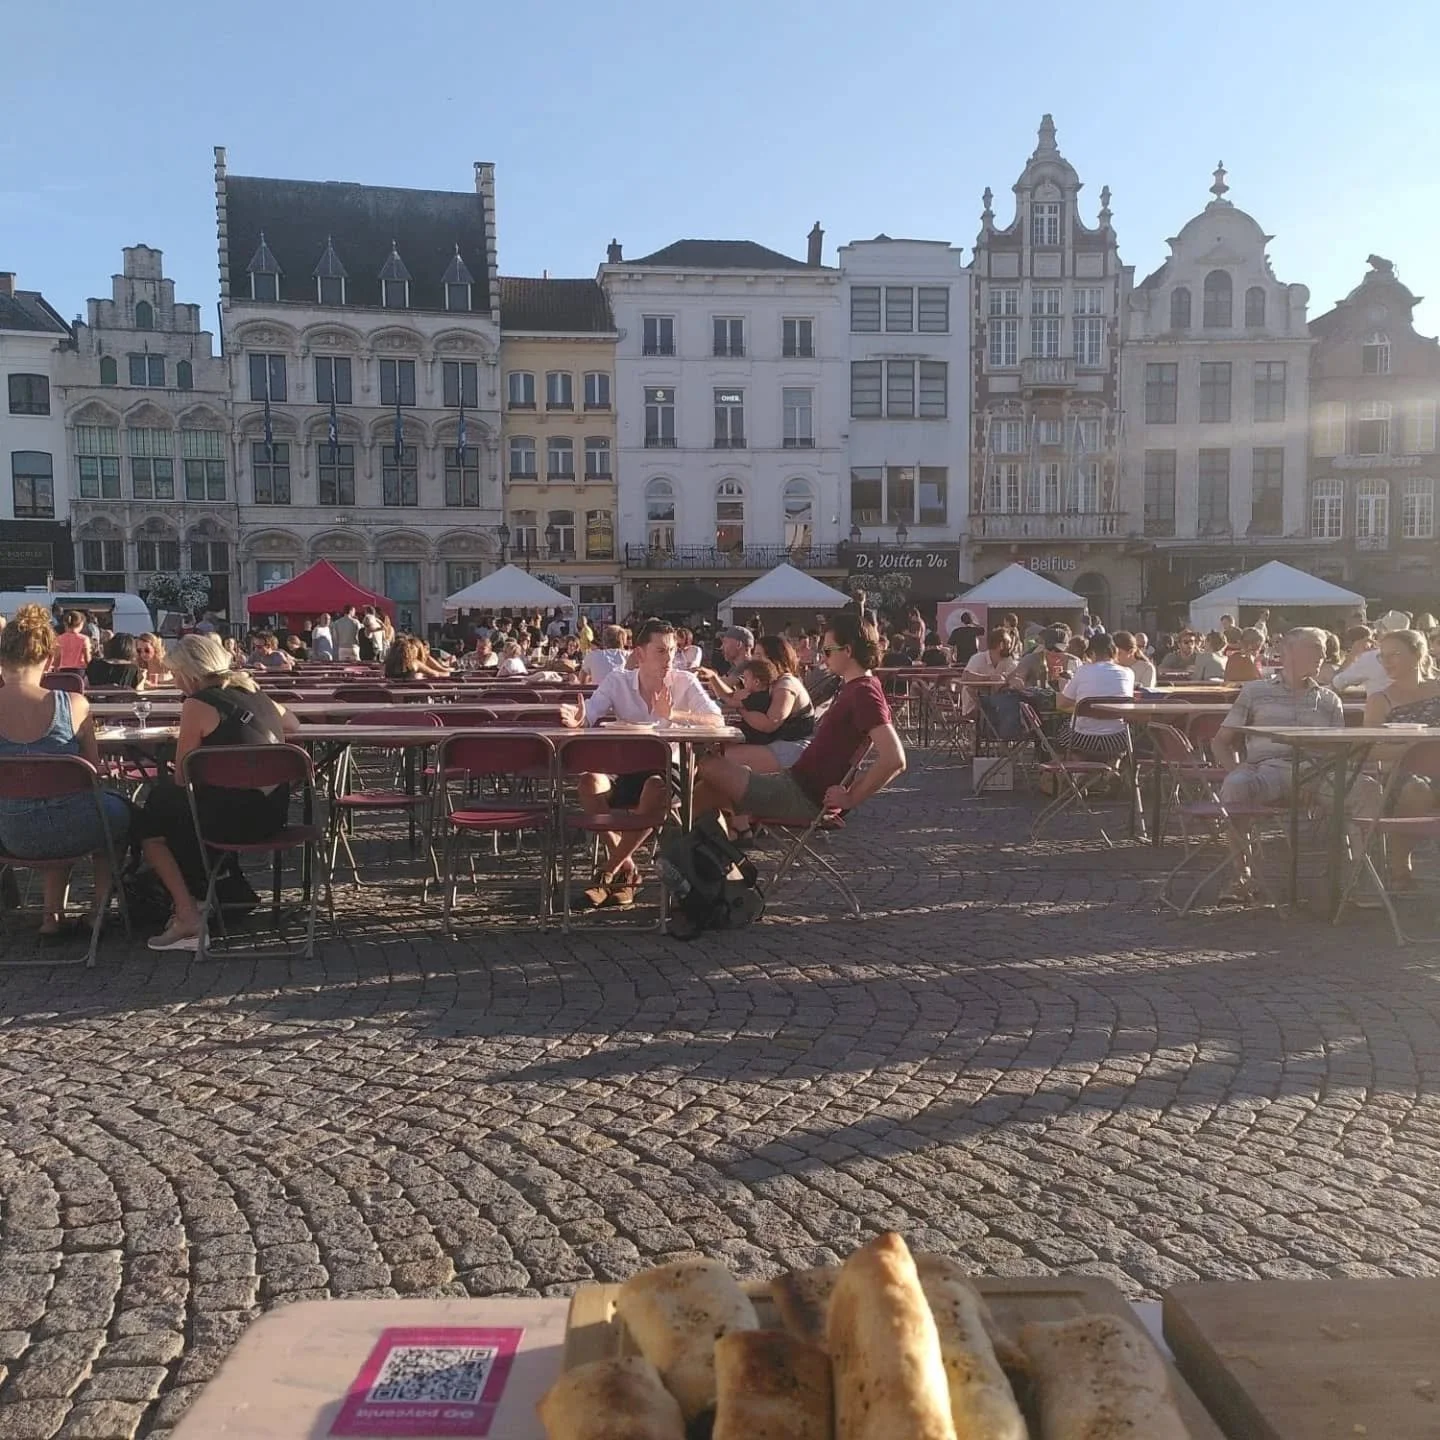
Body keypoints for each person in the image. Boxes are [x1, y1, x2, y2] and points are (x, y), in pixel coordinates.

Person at [131, 634, 301, 950]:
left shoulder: (196, 704)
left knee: (152, 818)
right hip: (272, 815)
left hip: (228, 821)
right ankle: (208, 893)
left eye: (177, 676)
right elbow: (293, 724)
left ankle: (187, 915)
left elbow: (182, 776)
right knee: (180, 811)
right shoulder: (255, 691)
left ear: (188, 673)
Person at [696, 612, 907, 831]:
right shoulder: (856, 688)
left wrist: (851, 798)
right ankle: (678, 844)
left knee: (706, 763)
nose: (823, 658)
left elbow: (894, 758)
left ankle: (680, 843)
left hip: (798, 796)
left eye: (827, 650)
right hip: (792, 784)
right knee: (708, 789)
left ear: (848, 650)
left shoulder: (863, 692)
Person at [560, 618, 720, 907]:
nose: (669, 657)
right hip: (626, 770)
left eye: (672, 650)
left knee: (655, 787)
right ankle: (628, 868)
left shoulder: (685, 680)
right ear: (639, 653)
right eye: (661, 651)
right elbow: (590, 714)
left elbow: (717, 721)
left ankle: (607, 872)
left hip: (668, 774)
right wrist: (577, 720)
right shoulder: (617, 680)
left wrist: (675, 716)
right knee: (588, 781)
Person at [0, 605, 131, 938]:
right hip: (72, 823)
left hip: (9, 834)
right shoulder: (74, 705)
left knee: (52, 803)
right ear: (49, 661)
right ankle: (98, 910)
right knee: (109, 813)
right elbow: (93, 773)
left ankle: (51, 918)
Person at [1212, 629, 1344, 900]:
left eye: (1323, 649)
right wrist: (1237, 769)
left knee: (1364, 791)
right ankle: (1241, 875)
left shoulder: (1330, 699)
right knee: (1236, 786)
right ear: (1288, 652)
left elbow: (1338, 750)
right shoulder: (1255, 691)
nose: (1323, 655)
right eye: (1315, 648)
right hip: (1266, 771)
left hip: (1316, 774)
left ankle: (1351, 878)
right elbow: (1220, 742)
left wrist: (1321, 775)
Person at [1362, 629, 1440, 886]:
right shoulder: (1380, 699)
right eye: (1382, 656)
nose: (1387, 661)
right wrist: (1413, 747)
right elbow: (1369, 749)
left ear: (1418, 655)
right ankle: (1400, 866)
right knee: (1416, 789)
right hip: (1401, 774)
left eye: (1394, 654)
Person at [719, 635, 815, 772]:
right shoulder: (770, 683)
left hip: (793, 747)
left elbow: (769, 723)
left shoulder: (785, 685)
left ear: (774, 659)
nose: (753, 659)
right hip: (776, 742)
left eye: (759, 655)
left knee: (723, 759)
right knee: (718, 749)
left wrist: (741, 707)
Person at [1055, 633, 1135, 759]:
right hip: (1117, 738)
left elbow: (1062, 704)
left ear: (1091, 653)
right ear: (1114, 651)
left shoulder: (1083, 671)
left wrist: (1063, 687)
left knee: (1059, 730)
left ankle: (1078, 770)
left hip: (1083, 739)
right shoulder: (1128, 673)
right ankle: (1113, 767)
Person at [960, 628, 1019, 716]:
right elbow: (965, 677)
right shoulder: (978, 658)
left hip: (997, 705)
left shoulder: (1007, 660)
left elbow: (1015, 676)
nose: (1011, 647)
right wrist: (990, 678)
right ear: (1001, 645)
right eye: (1009, 643)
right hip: (975, 707)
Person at [1011, 625, 1078, 691]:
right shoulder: (1031, 660)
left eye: (1059, 649)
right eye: (1049, 647)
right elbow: (1014, 677)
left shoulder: (1074, 663)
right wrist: (1017, 682)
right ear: (1044, 646)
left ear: (1066, 648)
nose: (1053, 652)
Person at [696, 627, 755, 697]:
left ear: (738, 644)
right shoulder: (736, 667)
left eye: (725, 642)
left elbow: (723, 686)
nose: (721, 647)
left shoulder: (749, 667)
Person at [1331, 625, 1389, 696]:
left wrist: (1352, 655)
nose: (1375, 641)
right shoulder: (1405, 655)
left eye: (1377, 633)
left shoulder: (1369, 658)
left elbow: (1336, 684)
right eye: (1373, 637)